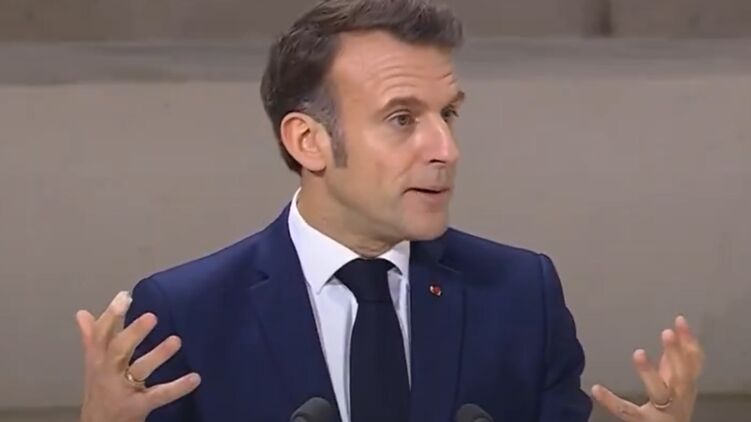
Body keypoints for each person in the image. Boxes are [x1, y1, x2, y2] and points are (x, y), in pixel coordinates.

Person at [75, 1, 704, 421]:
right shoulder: (186, 314)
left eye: (448, 114)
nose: (446, 149)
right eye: (403, 119)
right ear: (308, 141)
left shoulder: (521, 296)